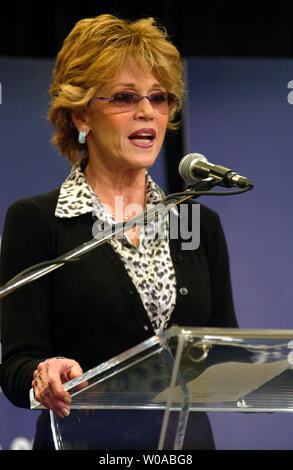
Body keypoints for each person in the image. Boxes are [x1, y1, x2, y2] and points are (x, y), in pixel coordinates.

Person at [0, 14, 237, 450]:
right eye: (126, 97)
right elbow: (16, 363)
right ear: (80, 114)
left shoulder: (199, 224)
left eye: (159, 98)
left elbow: (221, 352)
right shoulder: (36, 222)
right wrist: (45, 373)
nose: (147, 112)